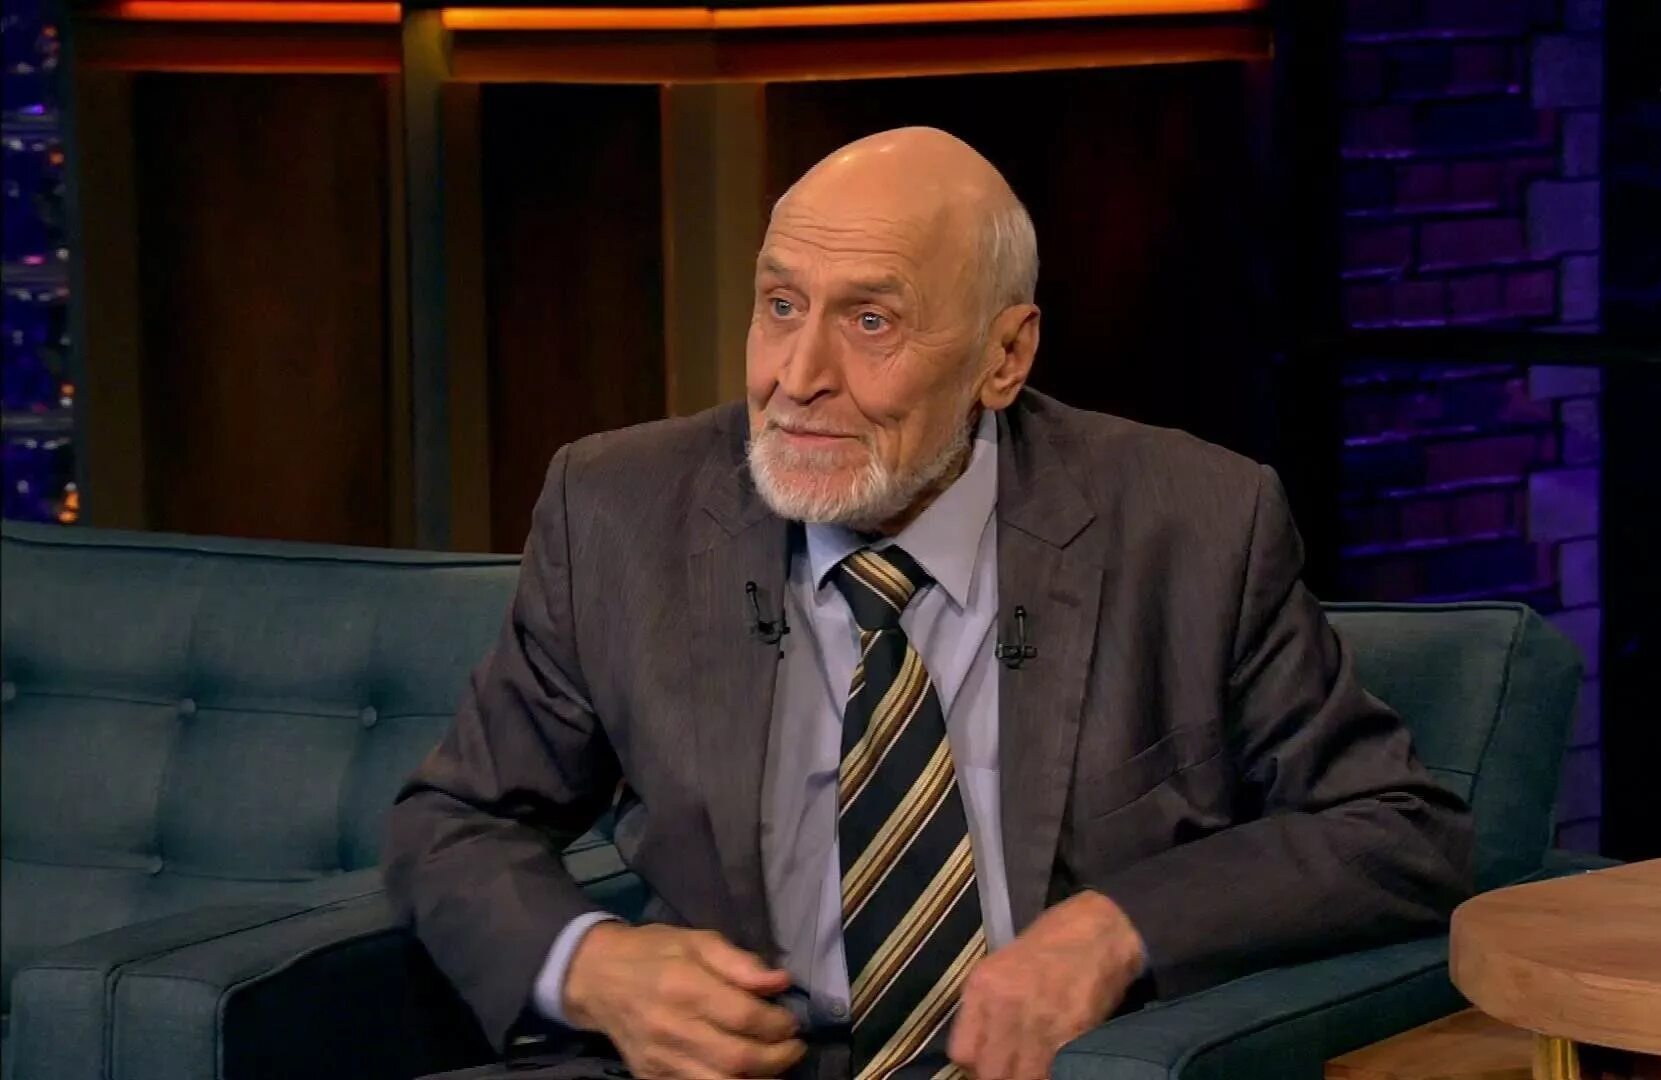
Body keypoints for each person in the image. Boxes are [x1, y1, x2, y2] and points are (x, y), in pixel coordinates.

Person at [384, 126, 1472, 1080]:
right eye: (780, 307)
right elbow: (456, 822)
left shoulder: (1194, 525)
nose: (796, 375)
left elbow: (1399, 829)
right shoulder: (619, 510)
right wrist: (594, 966)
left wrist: (1115, 930)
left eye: (871, 322)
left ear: (1006, 356)